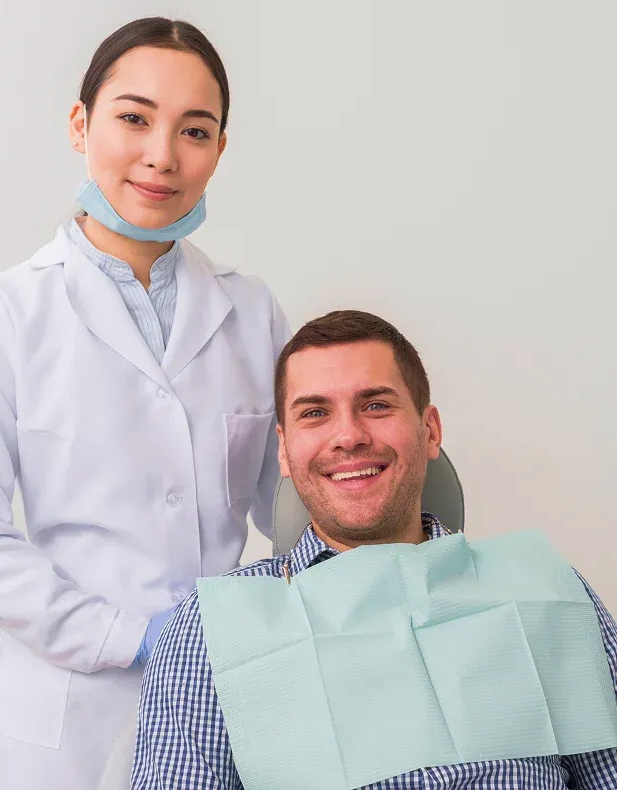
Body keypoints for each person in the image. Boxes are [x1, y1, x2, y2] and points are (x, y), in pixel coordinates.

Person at [0, 17, 289, 790]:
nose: (161, 154)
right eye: (133, 117)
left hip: (222, 705)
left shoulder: (252, 314)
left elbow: (290, 508)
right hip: (62, 721)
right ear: (80, 124)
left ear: (219, 150)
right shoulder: (5, 313)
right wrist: (134, 637)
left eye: (195, 129)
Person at [131, 309, 617, 789]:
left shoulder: (545, 593)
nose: (349, 436)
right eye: (316, 413)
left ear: (430, 431)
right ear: (283, 448)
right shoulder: (211, 630)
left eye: (377, 405)